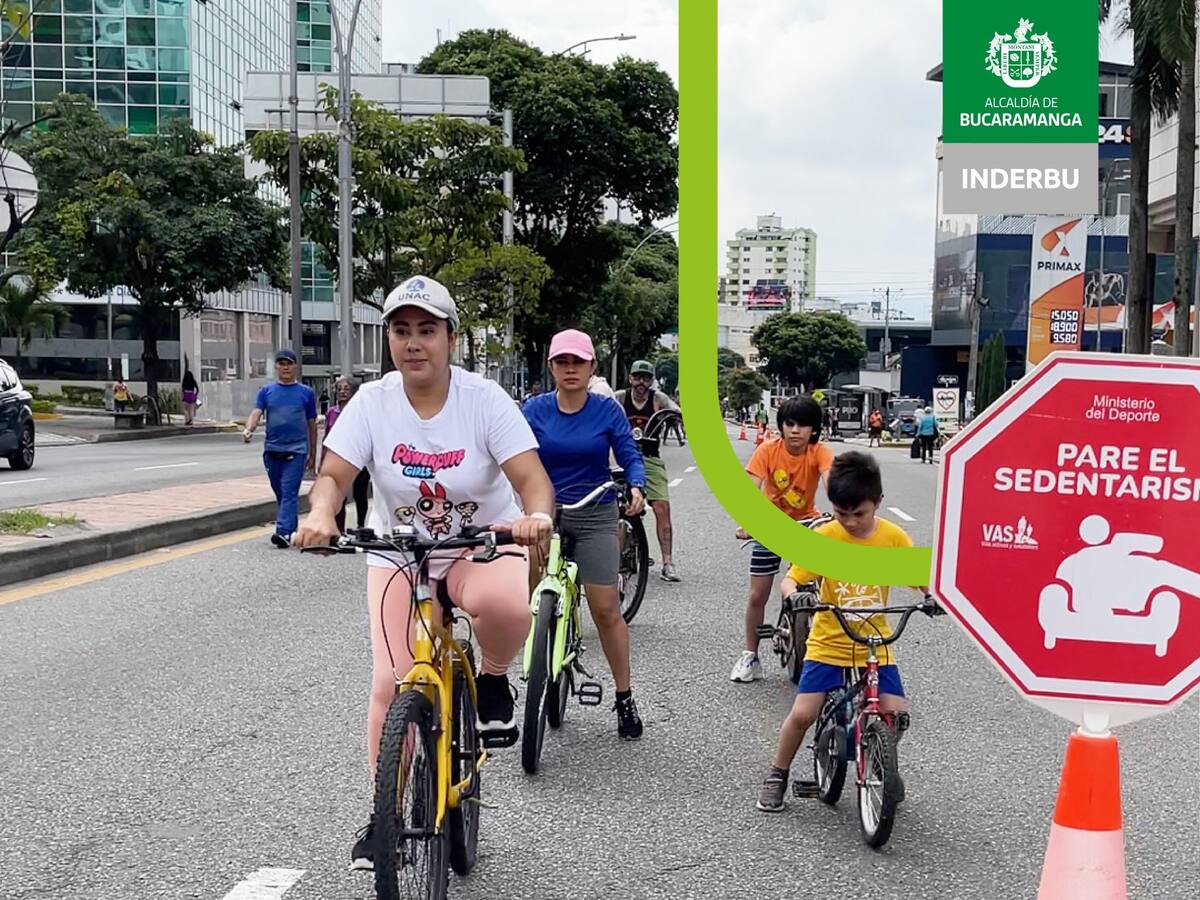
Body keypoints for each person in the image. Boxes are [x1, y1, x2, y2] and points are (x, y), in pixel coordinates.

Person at [292, 275, 555, 872]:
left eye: (427, 331)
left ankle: (491, 678)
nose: (414, 344)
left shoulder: (484, 399)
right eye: (402, 331)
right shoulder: (372, 402)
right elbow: (333, 476)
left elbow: (530, 477)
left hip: (480, 541)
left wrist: (536, 516)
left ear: (451, 339)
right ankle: (381, 816)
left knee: (511, 607)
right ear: (389, 339)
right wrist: (321, 513)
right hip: (400, 551)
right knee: (389, 684)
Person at [756, 451, 933, 811]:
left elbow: (921, 578)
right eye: (842, 513)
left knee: (895, 712)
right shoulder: (825, 536)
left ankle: (876, 752)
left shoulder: (892, 538)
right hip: (829, 642)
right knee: (804, 713)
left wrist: (933, 597)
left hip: (874, 642)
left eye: (859, 514)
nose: (850, 522)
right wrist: (797, 596)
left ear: (878, 503)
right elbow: (791, 579)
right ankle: (777, 773)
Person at [524, 329, 648, 739]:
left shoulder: (606, 410)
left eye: (578, 361)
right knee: (533, 595)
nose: (570, 369)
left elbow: (628, 452)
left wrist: (636, 484)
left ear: (592, 366)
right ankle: (540, 663)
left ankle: (624, 696)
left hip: (595, 510)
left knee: (606, 609)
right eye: (562, 361)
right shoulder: (534, 410)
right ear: (552, 366)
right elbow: (511, 453)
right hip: (546, 512)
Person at [730, 396, 834, 683]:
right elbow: (749, 490)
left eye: (803, 424)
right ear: (782, 426)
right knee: (758, 594)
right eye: (790, 423)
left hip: (807, 522)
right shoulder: (767, 451)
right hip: (768, 525)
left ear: (814, 429)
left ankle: (828, 649)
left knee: (825, 585)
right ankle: (749, 655)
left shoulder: (820, 452)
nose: (796, 430)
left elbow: (832, 482)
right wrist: (747, 522)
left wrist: (843, 514)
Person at [615, 360, 683, 582]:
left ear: (652, 380)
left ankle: (668, 562)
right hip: (621, 458)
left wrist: (674, 415)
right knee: (613, 505)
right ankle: (613, 557)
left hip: (650, 458)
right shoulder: (620, 398)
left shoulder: (658, 399)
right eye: (637, 377)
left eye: (646, 378)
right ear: (630, 379)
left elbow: (677, 411)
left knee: (662, 507)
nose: (641, 382)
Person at [242, 349, 317, 547]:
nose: (285, 367)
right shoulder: (266, 391)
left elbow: (311, 424)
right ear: (276, 367)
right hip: (272, 450)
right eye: (281, 363)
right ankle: (291, 529)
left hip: (297, 450)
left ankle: (283, 532)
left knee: (289, 491)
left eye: (289, 363)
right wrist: (249, 429)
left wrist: (313, 454)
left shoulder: (306, 393)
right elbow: (256, 412)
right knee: (281, 493)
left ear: (295, 366)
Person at [323, 376, 371, 532]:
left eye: (346, 389)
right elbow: (327, 436)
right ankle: (340, 530)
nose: (342, 392)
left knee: (360, 493)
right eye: (339, 389)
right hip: (338, 459)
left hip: (359, 458)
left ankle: (361, 525)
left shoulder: (361, 411)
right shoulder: (331, 412)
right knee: (339, 495)